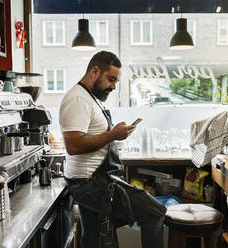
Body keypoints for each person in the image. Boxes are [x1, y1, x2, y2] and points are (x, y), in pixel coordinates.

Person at [59, 51, 166, 248]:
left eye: (116, 81)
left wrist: (116, 133)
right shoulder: (78, 99)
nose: (113, 86)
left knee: (94, 240)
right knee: (153, 212)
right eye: (111, 79)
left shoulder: (90, 98)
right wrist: (113, 135)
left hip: (97, 182)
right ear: (95, 71)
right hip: (91, 185)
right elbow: (73, 145)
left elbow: (90, 136)